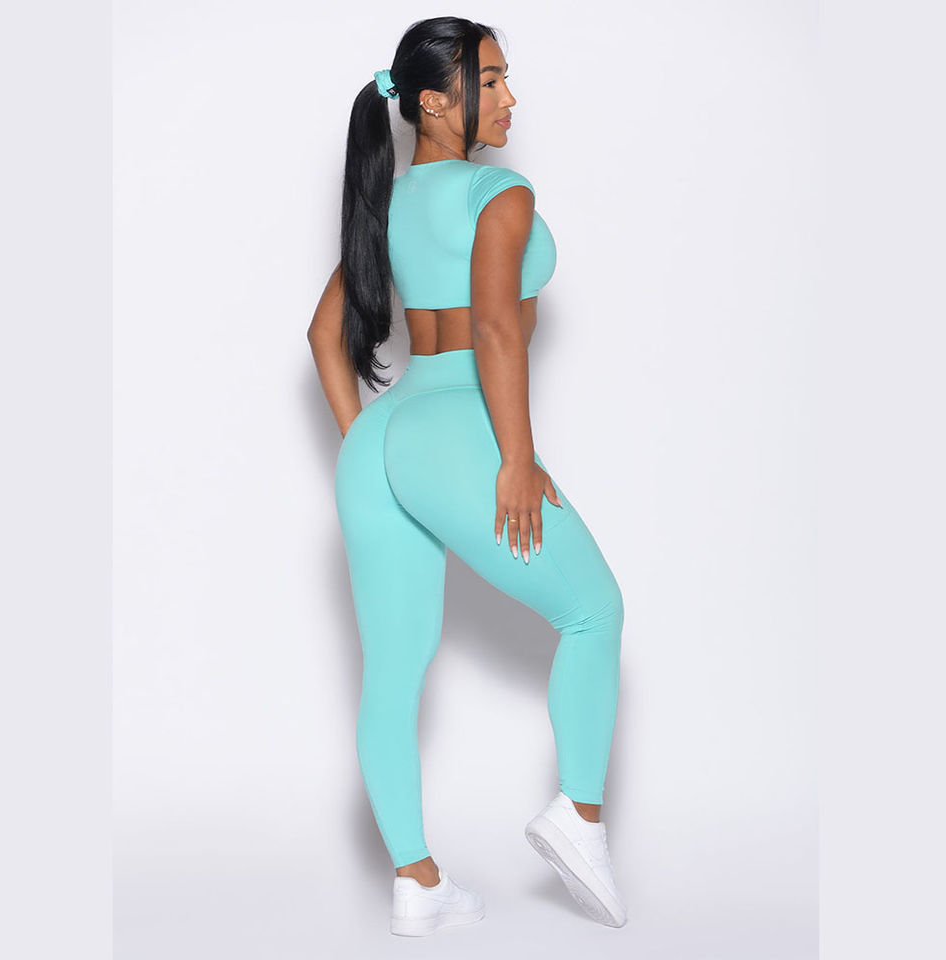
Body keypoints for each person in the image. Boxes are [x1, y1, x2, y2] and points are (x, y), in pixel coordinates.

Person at [308, 17, 628, 936]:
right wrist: (515, 460)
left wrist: (369, 447)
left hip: (385, 437)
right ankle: (579, 815)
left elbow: (324, 335)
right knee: (593, 612)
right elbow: (493, 327)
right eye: (491, 81)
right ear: (436, 103)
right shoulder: (500, 192)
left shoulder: (386, 203)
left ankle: (417, 884)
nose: (510, 98)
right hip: (460, 423)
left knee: (391, 672)